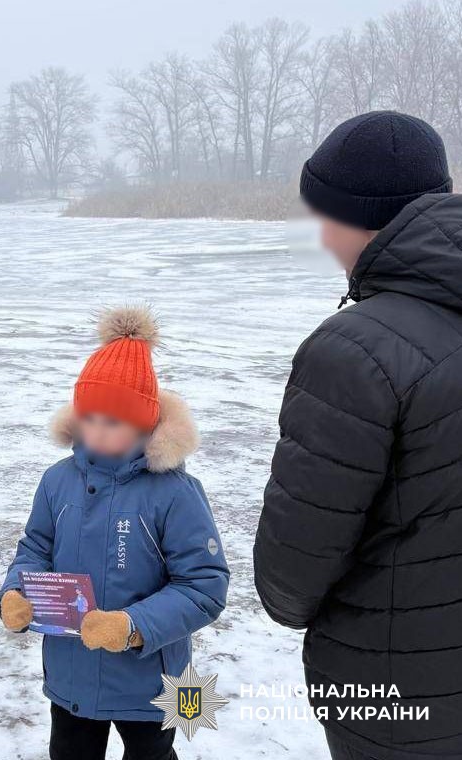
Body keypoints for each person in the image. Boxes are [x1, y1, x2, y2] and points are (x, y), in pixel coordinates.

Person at [254, 111, 461, 760]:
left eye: (324, 217)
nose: (320, 237)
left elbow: (291, 573)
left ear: (358, 217)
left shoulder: (355, 350)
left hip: (398, 690)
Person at [0, 306, 229, 760]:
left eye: (114, 422)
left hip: (152, 679)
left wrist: (132, 626)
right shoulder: (56, 480)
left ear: (144, 422)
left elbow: (204, 586)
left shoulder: (175, 492)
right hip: (71, 673)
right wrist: (15, 593)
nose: (98, 432)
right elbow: (35, 549)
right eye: (90, 419)